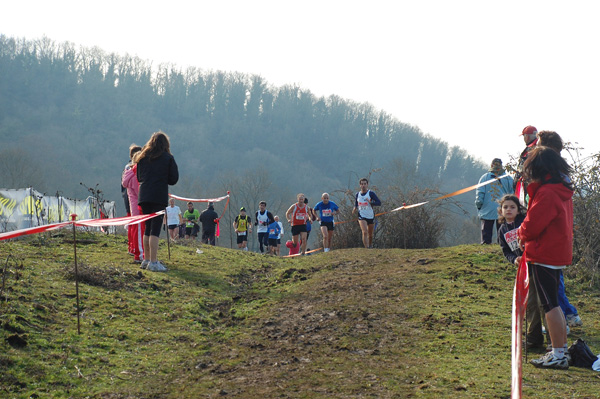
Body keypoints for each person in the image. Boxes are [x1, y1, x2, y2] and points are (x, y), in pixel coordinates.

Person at [518, 146, 573, 369]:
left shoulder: (548, 193)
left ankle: (559, 353)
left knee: (550, 304)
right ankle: (559, 350)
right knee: (552, 302)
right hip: (555, 250)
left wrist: (521, 233)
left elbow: (533, 224)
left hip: (544, 252)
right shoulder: (560, 189)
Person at [537, 131, 583, 328]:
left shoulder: (552, 178)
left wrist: (524, 232)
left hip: (549, 245)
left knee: (553, 295)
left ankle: (566, 319)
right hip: (558, 243)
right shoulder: (560, 176)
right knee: (553, 290)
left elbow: (540, 217)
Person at [497, 194, 547, 349]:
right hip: (524, 270)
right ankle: (534, 339)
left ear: (519, 210)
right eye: (506, 207)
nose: (509, 210)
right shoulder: (502, 230)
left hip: (538, 264)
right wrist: (514, 259)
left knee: (543, 303)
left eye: (512, 207)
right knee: (530, 303)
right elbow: (506, 251)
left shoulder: (524, 222)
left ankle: (553, 342)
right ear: (501, 211)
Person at [134, 131, 179, 272]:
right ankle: (154, 261)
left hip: (144, 195)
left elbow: (139, 177)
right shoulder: (168, 158)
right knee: (155, 229)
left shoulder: (142, 157)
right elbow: (173, 179)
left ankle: (146, 259)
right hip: (158, 196)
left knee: (147, 228)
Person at [475, 158, 514, 244]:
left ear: (491, 165)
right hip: (502, 208)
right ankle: (501, 244)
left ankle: (485, 243)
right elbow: (511, 193)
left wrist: (479, 204)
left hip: (487, 207)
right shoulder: (508, 178)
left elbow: (480, 191)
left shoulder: (484, 177)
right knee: (502, 228)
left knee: (486, 228)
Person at [121, 144, 144, 264]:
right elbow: (139, 191)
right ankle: (139, 254)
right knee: (139, 231)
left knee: (134, 229)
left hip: (132, 207)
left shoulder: (127, 172)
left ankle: (134, 248)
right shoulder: (135, 175)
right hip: (138, 207)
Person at [352, 178, 382, 249]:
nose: (363, 185)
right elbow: (356, 203)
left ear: (367, 184)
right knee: (364, 231)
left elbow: (379, 203)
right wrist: (354, 208)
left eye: (364, 184)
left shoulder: (371, 193)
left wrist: (371, 202)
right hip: (361, 215)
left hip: (370, 215)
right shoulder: (357, 194)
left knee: (370, 234)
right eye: (362, 184)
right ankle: (367, 247)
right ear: (360, 185)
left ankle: (370, 245)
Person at [514, 125, 539, 206]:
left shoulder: (531, 150)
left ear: (527, 137)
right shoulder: (539, 147)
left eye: (524, 136)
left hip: (528, 187)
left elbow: (524, 168)